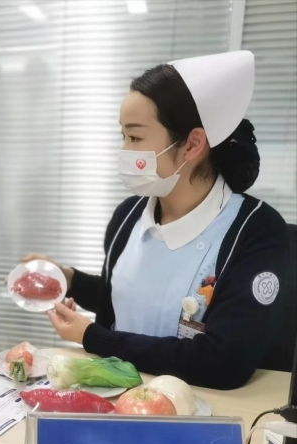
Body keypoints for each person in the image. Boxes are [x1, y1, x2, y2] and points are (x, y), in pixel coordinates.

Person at [24, 51, 290, 390]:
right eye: (123, 136)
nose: (124, 150)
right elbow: (125, 298)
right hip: (119, 393)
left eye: (135, 137)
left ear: (192, 144)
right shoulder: (128, 215)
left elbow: (224, 362)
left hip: (198, 404)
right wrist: (70, 279)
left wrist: (93, 337)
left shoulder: (256, 230)